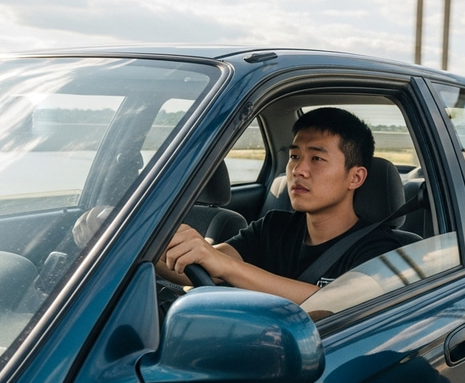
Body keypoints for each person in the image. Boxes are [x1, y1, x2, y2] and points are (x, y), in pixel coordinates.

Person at [157, 107, 404, 303]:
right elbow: (201, 266)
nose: (298, 170)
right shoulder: (274, 227)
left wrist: (225, 266)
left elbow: (337, 305)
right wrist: (147, 246)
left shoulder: (380, 250)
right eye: (294, 156)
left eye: (317, 158)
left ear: (355, 177)